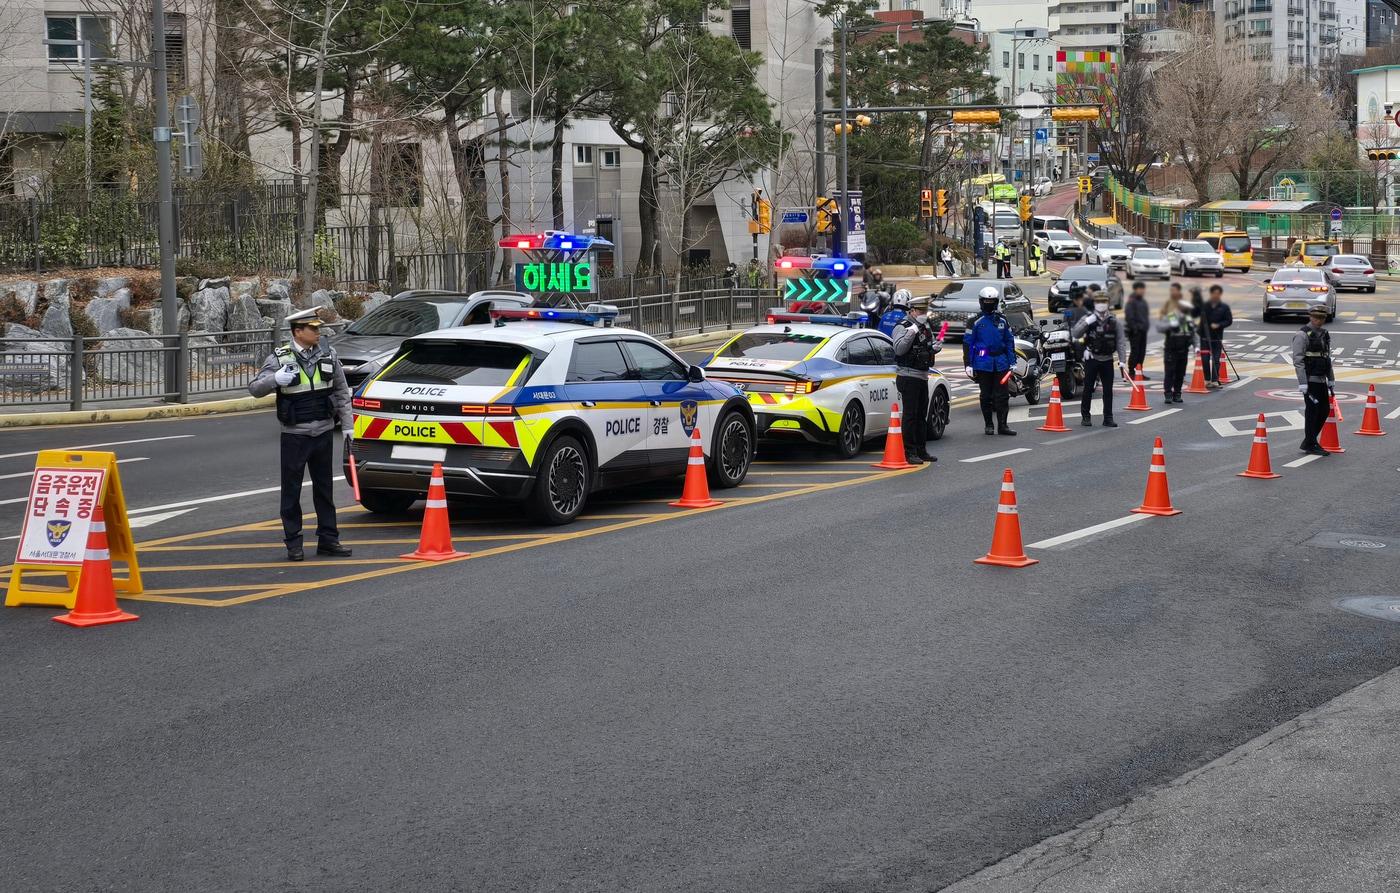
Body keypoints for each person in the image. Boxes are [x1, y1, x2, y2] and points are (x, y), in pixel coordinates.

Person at [248, 308, 355, 561]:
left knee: (324, 489)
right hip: (295, 434)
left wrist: (348, 426)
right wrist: (275, 378)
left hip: (324, 432)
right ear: (298, 332)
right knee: (291, 491)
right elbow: (255, 389)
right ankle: (293, 543)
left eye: (318, 328)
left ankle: (329, 540)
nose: (319, 332)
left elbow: (341, 392)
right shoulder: (279, 358)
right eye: (313, 329)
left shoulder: (329, 354)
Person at [892, 295, 942, 464]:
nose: (924, 313)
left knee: (922, 415)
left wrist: (934, 348)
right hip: (908, 376)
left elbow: (926, 347)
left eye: (925, 310)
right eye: (921, 310)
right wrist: (910, 333)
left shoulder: (925, 326)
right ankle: (909, 451)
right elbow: (899, 349)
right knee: (910, 416)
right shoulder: (903, 326)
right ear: (912, 311)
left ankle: (921, 449)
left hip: (922, 376)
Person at [963, 286, 1017, 436]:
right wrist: (968, 364)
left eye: (991, 301)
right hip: (983, 363)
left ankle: (1003, 425)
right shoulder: (974, 321)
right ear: (981, 302)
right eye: (986, 301)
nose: (989, 304)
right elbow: (968, 344)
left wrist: (1012, 362)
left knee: (1003, 396)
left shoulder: (1003, 320)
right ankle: (989, 425)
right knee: (986, 396)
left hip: (1001, 363)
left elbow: (1009, 341)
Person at [1072, 289, 1129, 427]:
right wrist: (1086, 322)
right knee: (1088, 389)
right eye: (1098, 301)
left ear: (1108, 303)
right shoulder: (1089, 318)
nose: (1101, 304)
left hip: (1107, 359)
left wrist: (1122, 361)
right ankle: (1086, 416)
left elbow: (1121, 341)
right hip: (1092, 358)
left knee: (1108, 390)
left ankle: (1108, 418)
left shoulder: (1114, 321)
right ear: (1094, 303)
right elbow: (1076, 333)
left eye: (1104, 301)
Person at [1292, 305, 1335, 456]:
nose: (1319, 320)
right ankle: (1311, 443)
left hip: (1321, 378)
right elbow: (1298, 360)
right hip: (1310, 380)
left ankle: (1309, 441)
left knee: (1324, 410)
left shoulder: (1324, 333)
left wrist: (1331, 378)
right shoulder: (1302, 335)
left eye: (1322, 317)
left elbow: (1326, 357)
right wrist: (1302, 382)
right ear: (1310, 317)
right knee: (1313, 412)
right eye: (1316, 317)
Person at [1154, 286, 1196, 405]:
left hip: (1184, 350)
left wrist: (1196, 347)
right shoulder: (1171, 316)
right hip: (1171, 350)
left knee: (1180, 373)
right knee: (1169, 373)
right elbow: (1159, 327)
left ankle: (1177, 394)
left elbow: (1193, 334)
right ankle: (1168, 394)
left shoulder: (1188, 319)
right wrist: (1171, 325)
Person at [1197, 283, 1233, 388]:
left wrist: (1219, 325)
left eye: (1218, 293)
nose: (1215, 295)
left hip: (1217, 337)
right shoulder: (1205, 306)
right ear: (1211, 294)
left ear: (1220, 295)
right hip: (1204, 337)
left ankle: (1214, 379)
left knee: (1216, 360)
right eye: (1214, 293)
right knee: (1204, 359)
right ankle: (1207, 379)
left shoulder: (1224, 307)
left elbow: (1229, 321)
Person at [1124, 280, 1150, 380]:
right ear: (1136, 290)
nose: (1142, 291)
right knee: (1135, 352)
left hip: (1143, 331)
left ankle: (1139, 371)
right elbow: (1129, 317)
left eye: (1143, 289)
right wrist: (1135, 328)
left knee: (1142, 352)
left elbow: (1145, 315)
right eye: (1140, 289)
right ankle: (1131, 372)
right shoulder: (1132, 301)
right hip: (1135, 331)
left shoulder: (1142, 301)